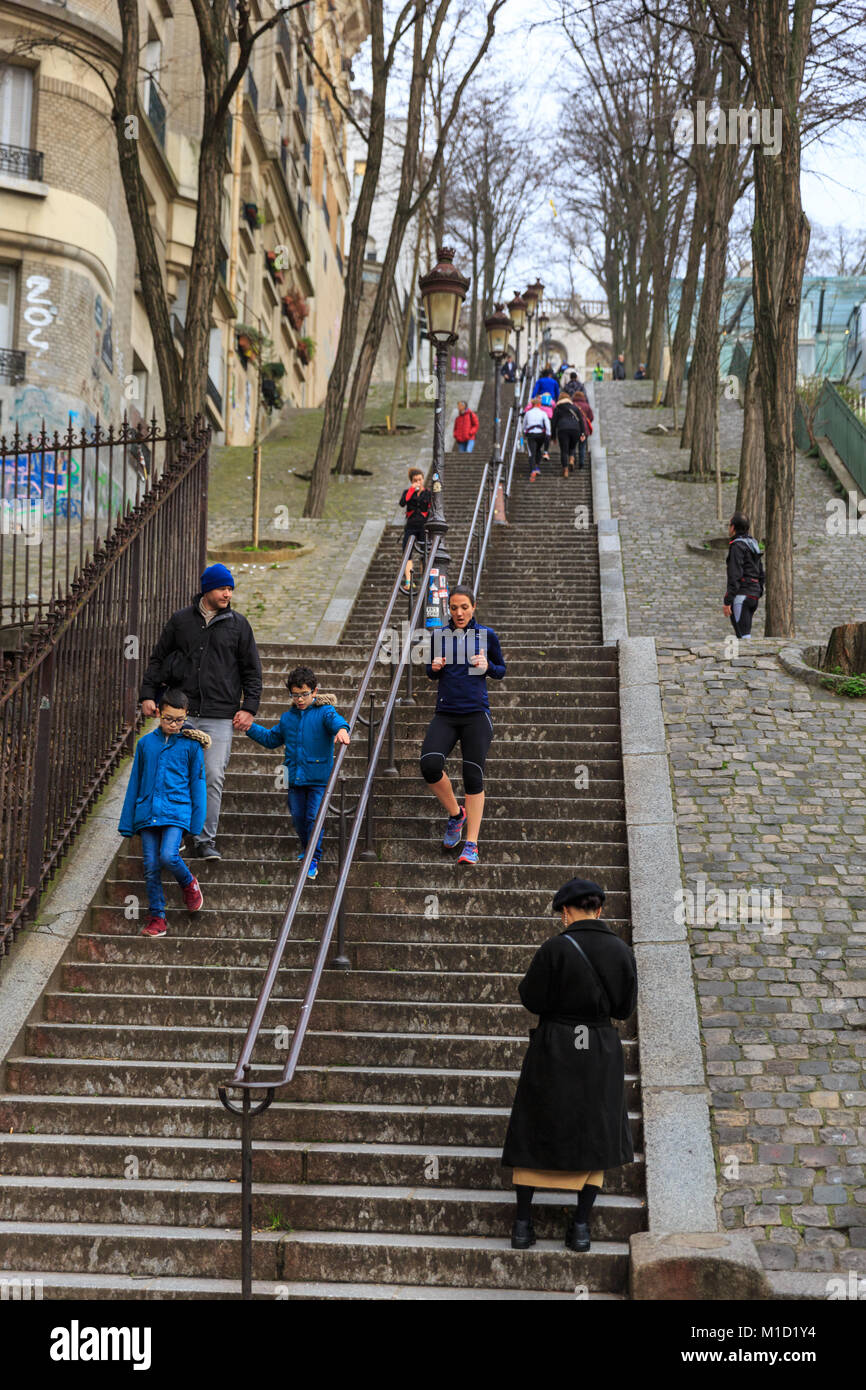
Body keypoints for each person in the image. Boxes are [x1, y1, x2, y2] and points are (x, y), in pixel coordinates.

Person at [502, 877, 637, 1252]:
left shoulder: (554, 949)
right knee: (595, 1125)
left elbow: (530, 997)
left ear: (565, 912)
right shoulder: (622, 952)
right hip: (598, 1047)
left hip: (555, 1044)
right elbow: (625, 1009)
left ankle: (523, 1226)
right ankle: (580, 1227)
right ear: (600, 909)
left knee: (535, 1121)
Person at [139, 563, 263, 860]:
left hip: (220, 716)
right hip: (180, 712)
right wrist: (147, 695)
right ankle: (175, 834)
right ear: (207, 589)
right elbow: (158, 658)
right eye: (223, 588)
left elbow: (252, 671)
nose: (227, 594)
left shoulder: (238, 624)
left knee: (212, 775)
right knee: (174, 774)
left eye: (231, 589)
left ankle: (204, 840)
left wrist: (249, 708)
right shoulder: (181, 621)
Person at [421, 585, 505, 866]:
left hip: (475, 716)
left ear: (474, 607)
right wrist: (433, 668)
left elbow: (501, 670)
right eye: (454, 608)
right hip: (446, 714)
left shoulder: (486, 636)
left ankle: (471, 844)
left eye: (464, 607)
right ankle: (457, 815)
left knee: (473, 776)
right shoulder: (440, 636)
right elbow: (430, 673)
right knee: (430, 765)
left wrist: (488, 666)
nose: (459, 613)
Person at [245, 666, 350, 880]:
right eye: (295, 694)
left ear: (314, 691)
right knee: (298, 816)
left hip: (319, 778)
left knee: (313, 817)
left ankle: (313, 856)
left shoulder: (325, 712)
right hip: (293, 778)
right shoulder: (287, 718)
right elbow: (271, 739)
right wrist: (249, 728)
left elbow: (336, 721)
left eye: (304, 694)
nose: (300, 699)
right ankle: (307, 849)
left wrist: (342, 730)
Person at [118, 689, 208, 938]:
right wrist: (128, 822)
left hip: (177, 810)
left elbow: (198, 785)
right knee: (150, 865)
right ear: (158, 712)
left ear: (186, 715)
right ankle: (157, 917)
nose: (174, 724)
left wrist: (196, 823)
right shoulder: (146, 744)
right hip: (147, 812)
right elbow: (135, 782)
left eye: (179, 720)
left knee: (168, 856)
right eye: (169, 718)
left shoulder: (192, 746)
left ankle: (189, 884)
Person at [724, 512, 765, 639]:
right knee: (744, 634)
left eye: (729, 525)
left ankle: (747, 659)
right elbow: (761, 572)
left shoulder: (737, 546)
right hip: (753, 596)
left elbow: (734, 575)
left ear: (733, 527)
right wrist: (759, 591)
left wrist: (727, 601)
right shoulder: (753, 544)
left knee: (743, 637)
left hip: (741, 597)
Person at [398, 467, 431, 594]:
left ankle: (424, 580)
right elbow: (402, 503)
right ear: (411, 481)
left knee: (425, 552)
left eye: (420, 479)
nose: (418, 482)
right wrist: (412, 490)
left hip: (424, 526)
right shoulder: (408, 492)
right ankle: (408, 581)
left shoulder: (428, 493)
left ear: (423, 479)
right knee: (407, 551)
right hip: (411, 525)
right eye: (415, 480)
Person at [551, 393, 586, 476]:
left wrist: (553, 436)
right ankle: (571, 459)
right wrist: (582, 433)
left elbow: (553, 423)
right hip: (575, 429)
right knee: (572, 446)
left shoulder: (557, 408)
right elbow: (581, 421)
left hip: (562, 429)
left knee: (564, 450)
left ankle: (566, 470)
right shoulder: (575, 408)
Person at [521, 396, 551, 480]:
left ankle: (532, 470)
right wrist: (548, 434)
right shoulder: (543, 413)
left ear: (533, 404)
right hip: (541, 434)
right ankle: (537, 466)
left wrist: (524, 432)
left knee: (531, 452)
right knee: (538, 450)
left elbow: (524, 425)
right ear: (539, 404)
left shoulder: (528, 413)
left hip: (531, 435)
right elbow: (547, 425)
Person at [572, 389, 594, 469]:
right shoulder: (586, 405)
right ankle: (581, 463)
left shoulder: (572, 404)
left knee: (573, 446)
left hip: (574, 428)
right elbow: (591, 417)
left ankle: (573, 459)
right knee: (582, 446)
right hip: (584, 430)